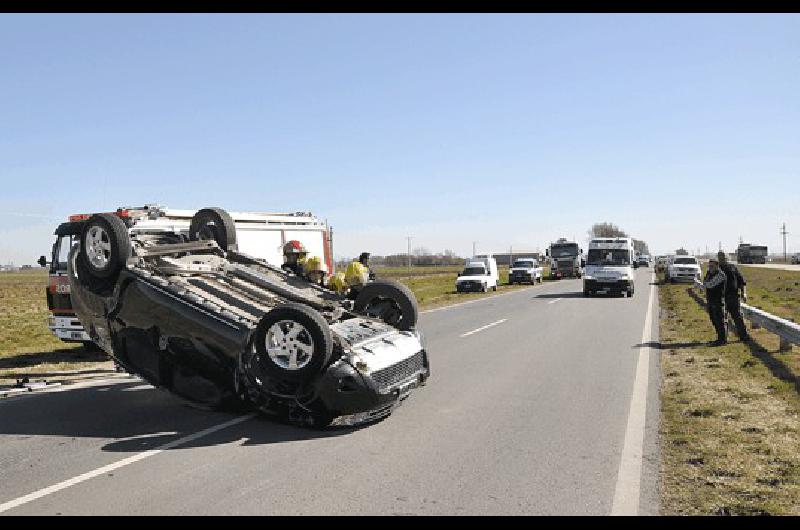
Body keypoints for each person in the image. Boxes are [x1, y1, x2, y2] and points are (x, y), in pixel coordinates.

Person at [717, 250, 750, 341]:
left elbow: (742, 282)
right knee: (723, 318)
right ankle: (723, 338)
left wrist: (744, 293)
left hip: (733, 297)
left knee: (737, 317)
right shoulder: (716, 269)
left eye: (723, 257)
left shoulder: (733, 268)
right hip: (721, 298)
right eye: (720, 257)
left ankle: (744, 335)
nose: (721, 259)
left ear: (726, 257)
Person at [695, 258, 727, 346]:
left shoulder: (721, 275)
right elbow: (705, 283)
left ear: (717, 266)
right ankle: (719, 338)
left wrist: (706, 283)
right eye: (709, 266)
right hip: (710, 300)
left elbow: (709, 285)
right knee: (714, 320)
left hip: (718, 300)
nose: (710, 268)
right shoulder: (709, 273)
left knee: (719, 320)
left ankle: (722, 340)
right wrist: (706, 281)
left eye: (712, 266)